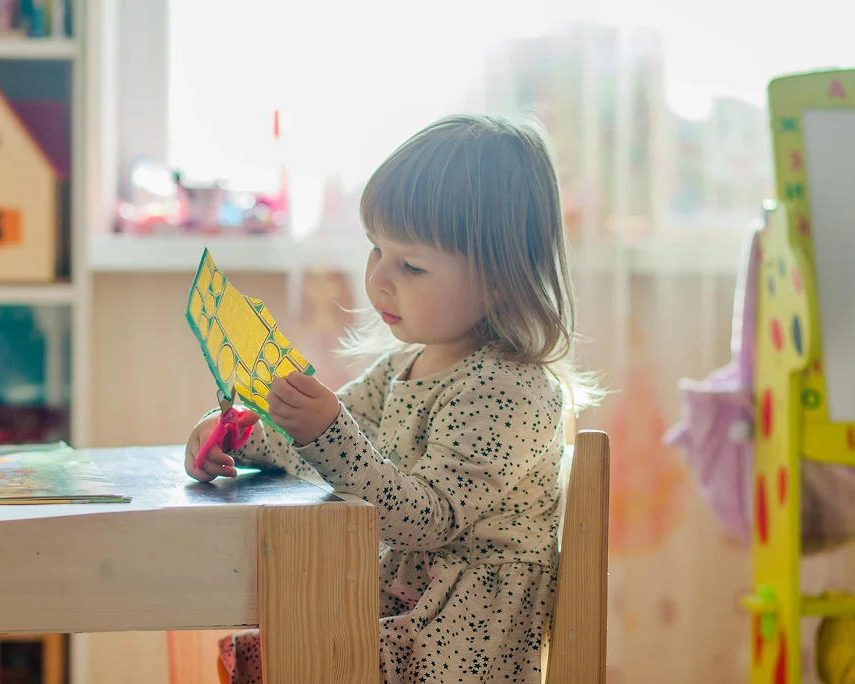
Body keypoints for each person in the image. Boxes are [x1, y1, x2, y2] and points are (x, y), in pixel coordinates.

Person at [185, 113, 600, 684]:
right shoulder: (404, 365)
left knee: (283, 653)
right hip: (408, 608)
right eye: (376, 249)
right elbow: (324, 450)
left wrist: (326, 431)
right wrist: (234, 434)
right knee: (270, 642)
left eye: (411, 264)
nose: (378, 278)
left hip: (459, 640)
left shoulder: (512, 390)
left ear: (502, 278)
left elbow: (424, 518)